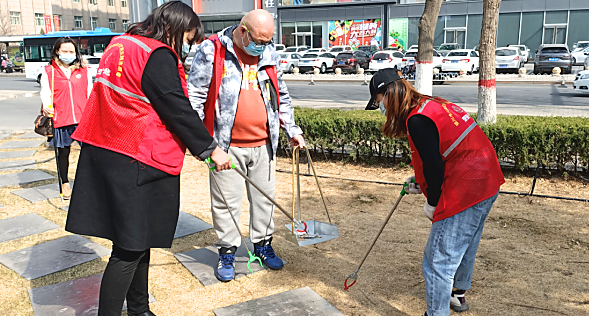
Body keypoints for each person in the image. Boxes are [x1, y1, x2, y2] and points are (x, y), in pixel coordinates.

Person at [65, 2, 231, 315]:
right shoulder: (155, 54)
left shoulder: (121, 45)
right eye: (187, 39)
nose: (186, 47)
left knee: (138, 239)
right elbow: (175, 106)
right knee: (128, 248)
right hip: (136, 156)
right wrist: (210, 148)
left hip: (106, 149)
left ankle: (139, 310)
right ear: (174, 28)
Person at [365, 68, 504, 316]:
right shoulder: (431, 104)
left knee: (438, 260)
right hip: (487, 177)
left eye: (378, 102)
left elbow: (433, 164)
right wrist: (420, 181)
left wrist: (432, 201)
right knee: (466, 242)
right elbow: (443, 152)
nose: (381, 109)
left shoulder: (417, 120)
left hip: (467, 185)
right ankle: (456, 295)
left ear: (388, 94)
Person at [188, 9, 305, 282]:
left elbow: (281, 95)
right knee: (226, 203)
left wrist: (292, 129)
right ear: (243, 31)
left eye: (268, 41)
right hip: (226, 147)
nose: (263, 47)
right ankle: (227, 251)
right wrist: (203, 144)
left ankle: (263, 245)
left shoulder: (268, 52)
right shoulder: (212, 50)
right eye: (259, 40)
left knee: (265, 200)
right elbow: (194, 97)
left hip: (265, 144)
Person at [40, 37, 92, 199]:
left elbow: (90, 93)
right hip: (61, 118)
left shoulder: (84, 71)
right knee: (63, 153)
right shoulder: (49, 71)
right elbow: (46, 93)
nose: (68, 54)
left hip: (83, 119)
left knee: (89, 153)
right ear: (57, 51)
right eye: (65, 51)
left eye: (71, 51)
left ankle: (88, 182)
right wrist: (48, 106)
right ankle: (65, 183)